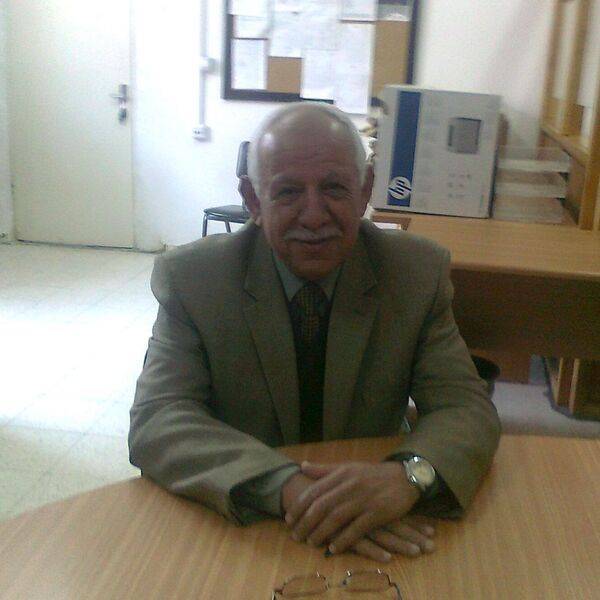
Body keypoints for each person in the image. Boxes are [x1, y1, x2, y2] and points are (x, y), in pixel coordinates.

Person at [128, 103, 501, 563]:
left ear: (364, 191)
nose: (313, 215)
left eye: (334, 188)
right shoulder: (194, 279)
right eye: (287, 192)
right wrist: (289, 489)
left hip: (376, 503)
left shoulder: (415, 273)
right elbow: (159, 417)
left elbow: (465, 406)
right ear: (253, 200)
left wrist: (409, 476)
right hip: (244, 521)